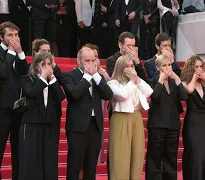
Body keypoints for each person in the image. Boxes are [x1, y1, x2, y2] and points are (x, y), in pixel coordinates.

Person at [62, 47, 113, 180]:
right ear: (78, 60)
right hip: (77, 128)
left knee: (91, 167)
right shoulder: (69, 76)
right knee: (74, 166)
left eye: (93, 60)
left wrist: (96, 76)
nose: (91, 64)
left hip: (95, 126)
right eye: (87, 61)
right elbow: (74, 94)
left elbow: (108, 95)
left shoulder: (98, 77)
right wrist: (86, 77)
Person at [18, 52, 65, 180]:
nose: (47, 67)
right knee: (32, 159)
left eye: (50, 64)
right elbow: (31, 92)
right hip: (32, 123)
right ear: (37, 65)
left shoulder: (52, 80)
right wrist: (43, 78)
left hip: (49, 124)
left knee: (49, 160)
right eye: (44, 64)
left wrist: (53, 79)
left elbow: (61, 97)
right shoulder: (27, 78)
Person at [107, 55, 153, 180]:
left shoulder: (136, 82)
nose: (130, 69)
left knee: (137, 155)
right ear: (120, 68)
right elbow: (122, 95)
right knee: (120, 156)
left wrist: (137, 79)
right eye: (126, 66)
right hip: (120, 119)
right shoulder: (113, 83)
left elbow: (149, 91)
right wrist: (132, 81)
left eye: (132, 66)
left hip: (136, 119)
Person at [145, 54, 187, 180]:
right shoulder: (153, 81)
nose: (168, 68)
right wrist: (160, 80)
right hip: (157, 125)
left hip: (173, 125)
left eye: (169, 65)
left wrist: (178, 79)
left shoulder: (175, 82)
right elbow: (155, 97)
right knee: (155, 157)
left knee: (171, 158)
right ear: (158, 68)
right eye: (164, 65)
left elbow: (184, 97)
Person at [0, 21, 29, 180]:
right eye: (10, 35)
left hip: (19, 108)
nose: (14, 38)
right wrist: (11, 51)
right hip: (2, 109)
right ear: (1, 37)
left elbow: (25, 74)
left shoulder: (17, 54)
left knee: (19, 151)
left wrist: (20, 54)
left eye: (16, 35)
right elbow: (3, 73)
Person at [31, 38, 64, 145]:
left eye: (49, 51)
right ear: (35, 53)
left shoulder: (54, 71)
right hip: (35, 117)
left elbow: (63, 84)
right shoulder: (29, 72)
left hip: (52, 116)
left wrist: (53, 67)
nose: (47, 53)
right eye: (43, 51)